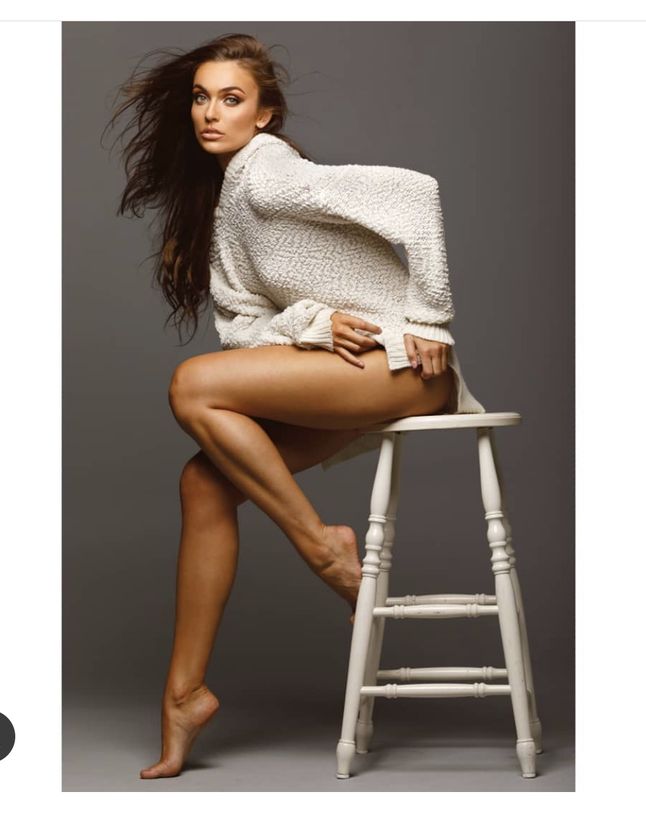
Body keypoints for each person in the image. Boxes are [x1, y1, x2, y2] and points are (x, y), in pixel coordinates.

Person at [105, 32, 485, 780]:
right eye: (201, 97)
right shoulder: (227, 207)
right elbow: (243, 326)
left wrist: (428, 320)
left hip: (406, 369)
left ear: (265, 115)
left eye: (232, 99)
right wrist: (310, 322)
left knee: (192, 386)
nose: (211, 112)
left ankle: (326, 553)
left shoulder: (268, 171)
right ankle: (184, 695)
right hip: (350, 372)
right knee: (203, 481)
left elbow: (417, 193)